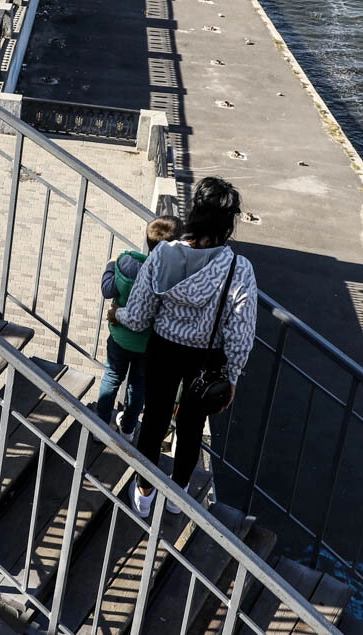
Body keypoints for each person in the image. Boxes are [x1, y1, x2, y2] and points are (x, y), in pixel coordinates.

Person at [118, 177, 258, 518]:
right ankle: (179, 495)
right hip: (207, 358)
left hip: (163, 349)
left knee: (154, 419)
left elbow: (137, 318)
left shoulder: (163, 255)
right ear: (228, 225)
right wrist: (234, 377)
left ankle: (144, 492)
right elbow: (241, 333)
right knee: (192, 426)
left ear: (194, 213)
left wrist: (116, 313)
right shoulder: (238, 269)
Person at [96, 215, 182, 437]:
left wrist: (111, 264)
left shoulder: (128, 263)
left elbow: (108, 290)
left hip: (120, 339)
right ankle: (128, 429)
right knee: (138, 387)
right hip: (148, 346)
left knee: (112, 377)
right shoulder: (173, 277)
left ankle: (99, 426)